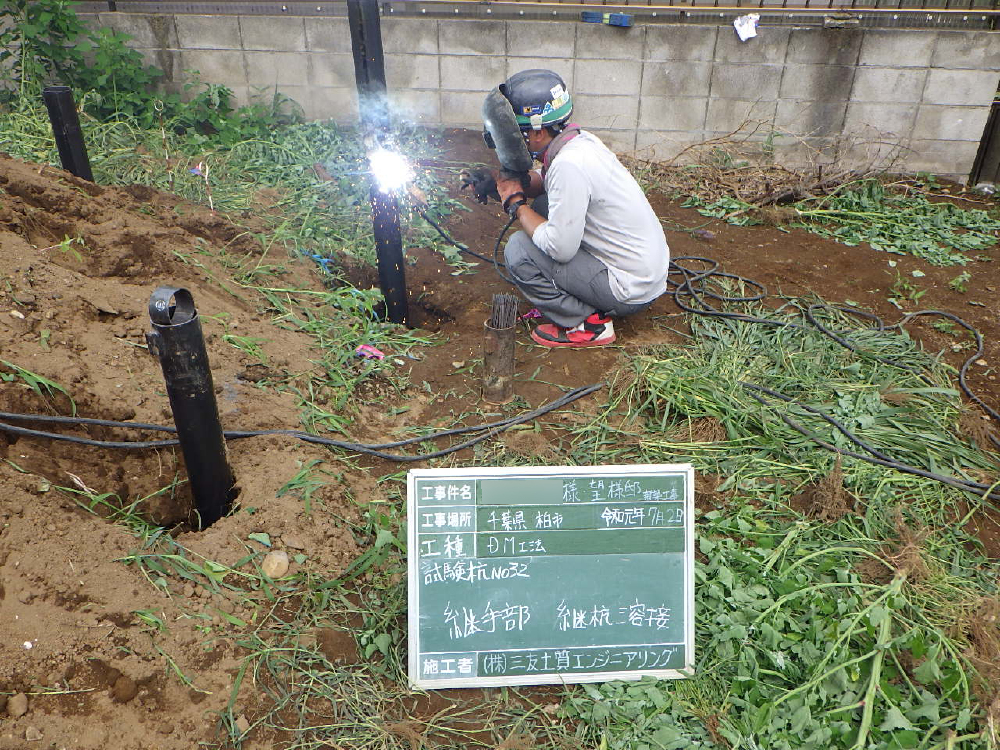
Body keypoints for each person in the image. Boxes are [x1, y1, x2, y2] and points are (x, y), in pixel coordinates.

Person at [490, 69, 670, 348]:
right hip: (643, 274)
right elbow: (545, 184)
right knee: (544, 205)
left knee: (518, 250)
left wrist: (516, 204)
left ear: (537, 131)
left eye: (517, 133)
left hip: (627, 290)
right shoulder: (578, 143)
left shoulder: (569, 166)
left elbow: (560, 248)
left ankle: (588, 324)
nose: (515, 139)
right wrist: (501, 185)